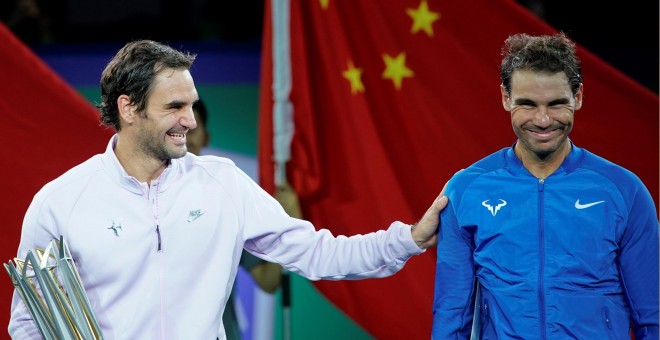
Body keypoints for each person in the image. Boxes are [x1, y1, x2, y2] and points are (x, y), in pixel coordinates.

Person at [8, 39, 448, 339]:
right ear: (128, 108)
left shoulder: (222, 184)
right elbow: (29, 322)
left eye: (192, 105)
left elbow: (320, 252)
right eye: (175, 107)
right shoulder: (60, 202)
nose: (191, 121)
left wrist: (408, 239)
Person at [432, 32, 659, 339]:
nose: (542, 120)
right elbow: (451, 314)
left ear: (577, 97)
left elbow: (652, 315)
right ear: (505, 97)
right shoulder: (466, 189)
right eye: (527, 104)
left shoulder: (624, 191)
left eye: (556, 104)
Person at [188, 98, 282, 340]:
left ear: (206, 138)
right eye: (178, 129)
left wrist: (284, 219)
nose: (186, 137)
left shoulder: (224, 199)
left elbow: (269, 280)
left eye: (193, 129)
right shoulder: (144, 202)